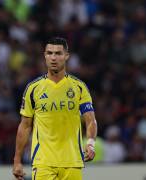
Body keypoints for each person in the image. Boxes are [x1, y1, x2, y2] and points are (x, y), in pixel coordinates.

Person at [12, 37, 97, 180]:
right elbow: (25, 126)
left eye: (58, 53)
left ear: (66, 56)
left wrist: (90, 144)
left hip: (72, 161)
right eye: (49, 53)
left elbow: (90, 120)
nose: (53, 58)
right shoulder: (33, 88)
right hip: (43, 162)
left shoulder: (79, 87)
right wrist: (17, 161)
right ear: (44, 56)